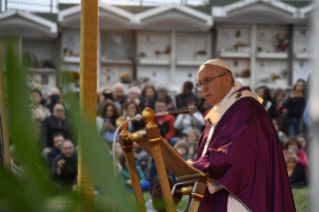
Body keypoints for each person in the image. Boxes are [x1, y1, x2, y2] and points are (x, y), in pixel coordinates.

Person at [187, 59, 295, 211]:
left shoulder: (248, 108)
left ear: (226, 80)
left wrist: (198, 165)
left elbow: (239, 152)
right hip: (217, 190)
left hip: (241, 194)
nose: (203, 88)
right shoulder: (220, 111)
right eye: (200, 84)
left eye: (207, 81)